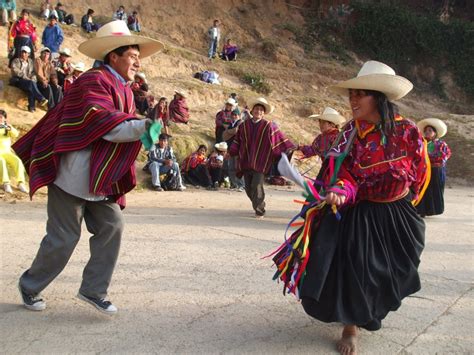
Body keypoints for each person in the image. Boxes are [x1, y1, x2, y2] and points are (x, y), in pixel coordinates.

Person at [271, 61, 429, 355]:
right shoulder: (347, 134)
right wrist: (342, 189)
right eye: (351, 94)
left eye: (361, 94)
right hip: (361, 211)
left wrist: (408, 197)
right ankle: (351, 326)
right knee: (358, 268)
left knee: (391, 272)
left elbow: (419, 173)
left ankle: (369, 310)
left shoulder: (407, 132)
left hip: (397, 213)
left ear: (379, 98)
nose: (353, 100)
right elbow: (341, 173)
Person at [13, 20, 164, 314]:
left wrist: (148, 130)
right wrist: (144, 126)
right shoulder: (93, 81)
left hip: (100, 178)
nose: (137, 62)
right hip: (72, 175)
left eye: (137, 57)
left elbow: (124, 129)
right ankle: (30, 285)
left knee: (112, 225)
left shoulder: (126, 90)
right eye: (132, 56)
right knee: (64, 238)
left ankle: (94, 289)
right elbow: (106, 126)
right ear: (113, 56)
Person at [229, 97, 295, 218]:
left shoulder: (269, 126)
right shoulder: (244, 126)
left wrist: (291, 147)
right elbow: (237, 141)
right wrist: (231, 151)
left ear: (264, 113)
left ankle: (260, 210)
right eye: (256, 109)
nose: (258, 111)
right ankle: (259, 204)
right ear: (252, 110)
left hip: (261, 162)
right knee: (248, 188)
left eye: (261, 110)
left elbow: (281, 139)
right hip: (246, 160)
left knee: (257, 185)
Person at [416, 118, 451, 217]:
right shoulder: (422, 143)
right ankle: (421, 210)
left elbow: (445, 156)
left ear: (435, 133)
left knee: (434, 189)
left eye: (430, 131)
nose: (427, 132)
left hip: (436, 171)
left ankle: (432, 210)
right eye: (426, 131)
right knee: (423, 189)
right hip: (424, 170)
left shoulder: (441, 144)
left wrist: (430, 159)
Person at [10, 46, 48, 112]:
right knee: (31, 84)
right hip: (18, 80)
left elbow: (33, 73)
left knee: (31, 87)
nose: (23, 54)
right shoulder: (16, 61)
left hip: (28, 81)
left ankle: (31, 107)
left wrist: (33, 79)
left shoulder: (30, 61)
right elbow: (16, 72)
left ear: (29, 54)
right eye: (23, 52)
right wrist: (27, 78)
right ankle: (41, 99)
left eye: (25, 53)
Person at [0, 109, 27, 194]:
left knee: (17, 161)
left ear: (4, 118)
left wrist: (9, 128)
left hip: (7, 152)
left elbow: (16, 134)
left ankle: (21, 183)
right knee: (2, 161)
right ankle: (6, 183)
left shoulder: (7, 127)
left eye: (1, 117)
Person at [222, 109, 244, 191]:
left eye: (236, 115)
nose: (234, 116)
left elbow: (236, 131)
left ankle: (241, 185)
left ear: (239, 116)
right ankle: (234, 184)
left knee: (238, 167)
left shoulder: (240, 123)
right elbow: (224, 136)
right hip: (230, 148)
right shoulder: (231, 124)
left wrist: (228, 131)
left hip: (238, 148)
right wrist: (229, 132)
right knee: (231, 167)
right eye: (233, 115)